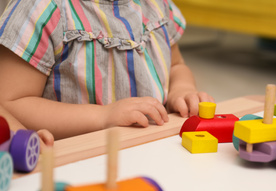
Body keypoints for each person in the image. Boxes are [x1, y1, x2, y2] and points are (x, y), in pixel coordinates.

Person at [0, 0, 214, 140]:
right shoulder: (42, 8)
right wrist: (103, 116)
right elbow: (10, 103)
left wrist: (182, 89)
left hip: (151, 149)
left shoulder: (156, 5)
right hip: (77, 161)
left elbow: (176, 65)